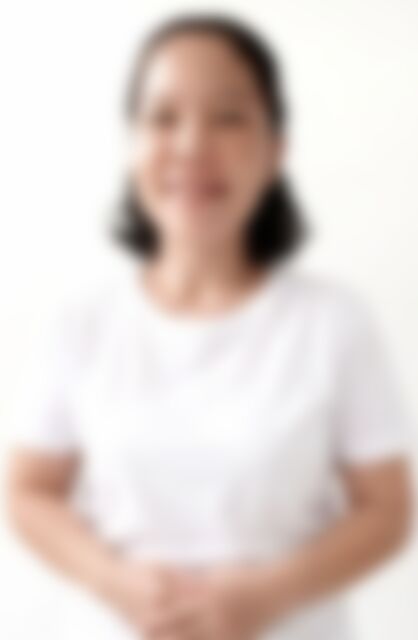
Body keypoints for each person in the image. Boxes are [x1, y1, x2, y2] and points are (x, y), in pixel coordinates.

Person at [7, 14, 413, 640]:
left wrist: (267, 596)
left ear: (275, 150)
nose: (193, 144)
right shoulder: (82, 323)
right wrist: (115, 581)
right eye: (164, 117)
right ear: (133, 145)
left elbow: (387, 510)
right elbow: (28, 492)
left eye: (228, 117)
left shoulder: (333, 323)